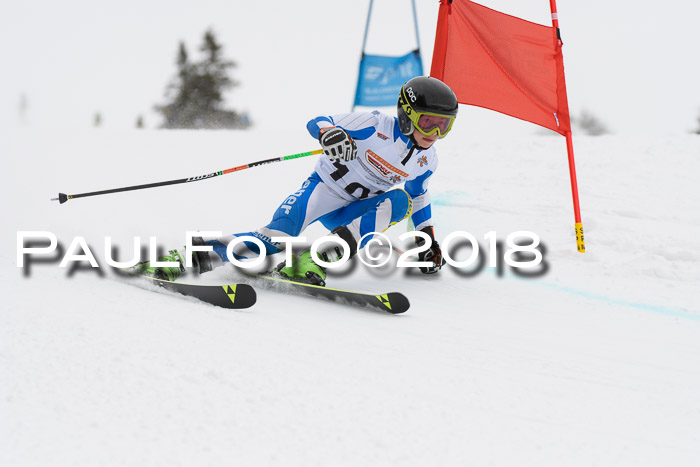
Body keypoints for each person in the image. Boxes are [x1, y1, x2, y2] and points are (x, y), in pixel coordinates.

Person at [136, 76, 459, 285]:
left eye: (444, 126)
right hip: (323, 191)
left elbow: (418, 197)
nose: (434, 134)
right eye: (428, 122)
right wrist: (329, 133)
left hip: (356, 210)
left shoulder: (426, 160)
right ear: (406, 113)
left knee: (399, 201)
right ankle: (181, 259)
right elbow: (319, 121)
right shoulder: (375, 124)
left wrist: (426, 238)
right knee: (274, 238)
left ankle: (313, 259)